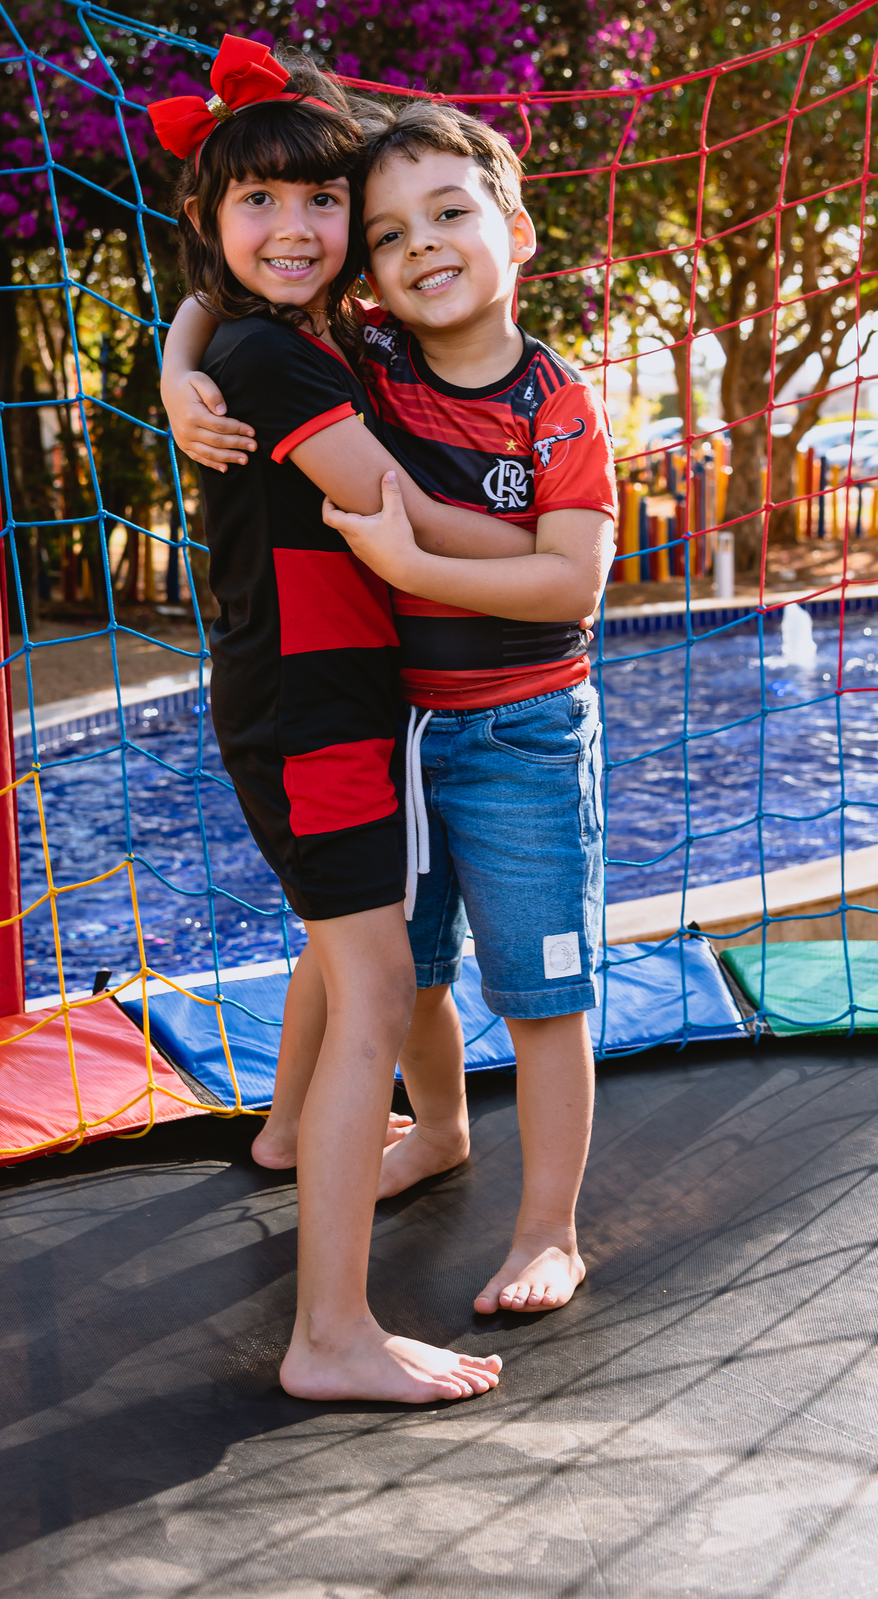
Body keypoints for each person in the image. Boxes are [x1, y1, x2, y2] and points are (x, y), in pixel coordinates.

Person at [166, 97, 617, 1319]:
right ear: (368, 272)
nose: (418, 246)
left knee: (543, 991)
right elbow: (233, 292)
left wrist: (420, 568)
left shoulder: (561, 407)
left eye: (449, 215)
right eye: (388, 233)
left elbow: (573, 580)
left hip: (522, 729)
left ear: (515, 231)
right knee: (413, 974)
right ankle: (440, 1133)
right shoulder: (369, 357)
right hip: (404, 725)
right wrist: (171, 363)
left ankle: (549, 1227)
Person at [149, 36, 518, 1403]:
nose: (294, 227)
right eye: (259, 203)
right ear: (212, 220)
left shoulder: (280, 339)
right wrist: (559, 542)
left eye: (321, 204)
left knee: (337, 937)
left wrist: (177, 352)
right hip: (316, 713)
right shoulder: (281, 361)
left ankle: (288, 1136)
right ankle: (331, 1334)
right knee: (373, 982)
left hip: (311, 699)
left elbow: (208, 320)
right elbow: (398, 514)